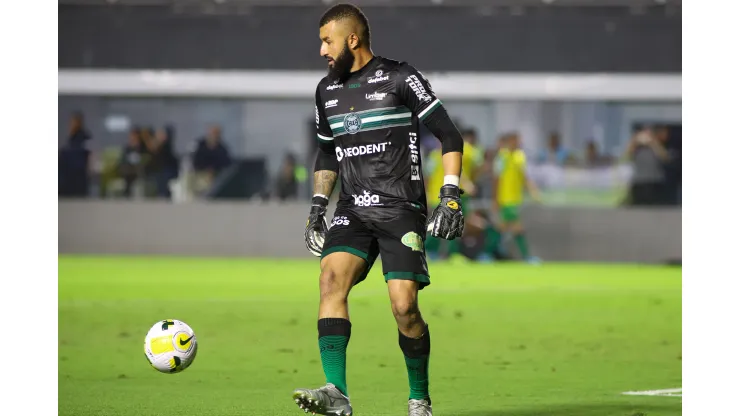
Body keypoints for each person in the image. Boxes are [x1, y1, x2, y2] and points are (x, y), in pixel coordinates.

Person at [296, 4, 466, 416]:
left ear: (352, 40)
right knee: (329, 280)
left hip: (400, 209)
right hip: (352, 209)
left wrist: (450, 196)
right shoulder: (326, 91)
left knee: (405, 308)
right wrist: (319, 207)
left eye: (327, 41)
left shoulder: (400, 77)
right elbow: (326, 153)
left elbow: (450, 135)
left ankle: (418, 398)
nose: (322, 51)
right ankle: (336, 392)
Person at [490, 132, 542, 264]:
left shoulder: (520, 157)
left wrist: (533, 190)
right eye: (515, 141)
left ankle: (486, 254)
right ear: (509, 142)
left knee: (502, 227)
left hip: (516, 198)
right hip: (505, 199)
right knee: (517, 227)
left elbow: (524, 177)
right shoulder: (502, 157)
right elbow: (496, 179)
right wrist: (495, 199)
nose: (518, 143)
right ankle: (526, 257)